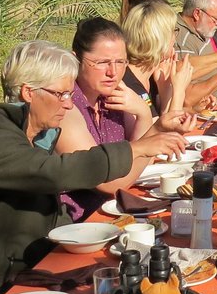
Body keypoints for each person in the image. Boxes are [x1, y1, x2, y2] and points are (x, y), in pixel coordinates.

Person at [0, 41, 189, 294]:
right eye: (62, 94)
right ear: (29, 92)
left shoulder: (33, 134)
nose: (69, 103)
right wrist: (137, 149)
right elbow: (53, 172)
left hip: (29, 274)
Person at [54, 18, 191, 218]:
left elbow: (141, 161)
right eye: (102, 63)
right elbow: (109, 183)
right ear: (76, 60)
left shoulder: (114, 96)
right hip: (78, 225)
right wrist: (154, 132)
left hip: (115, 213)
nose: (113, 72)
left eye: (120, 62)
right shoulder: (66, 109)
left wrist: (145, 116)